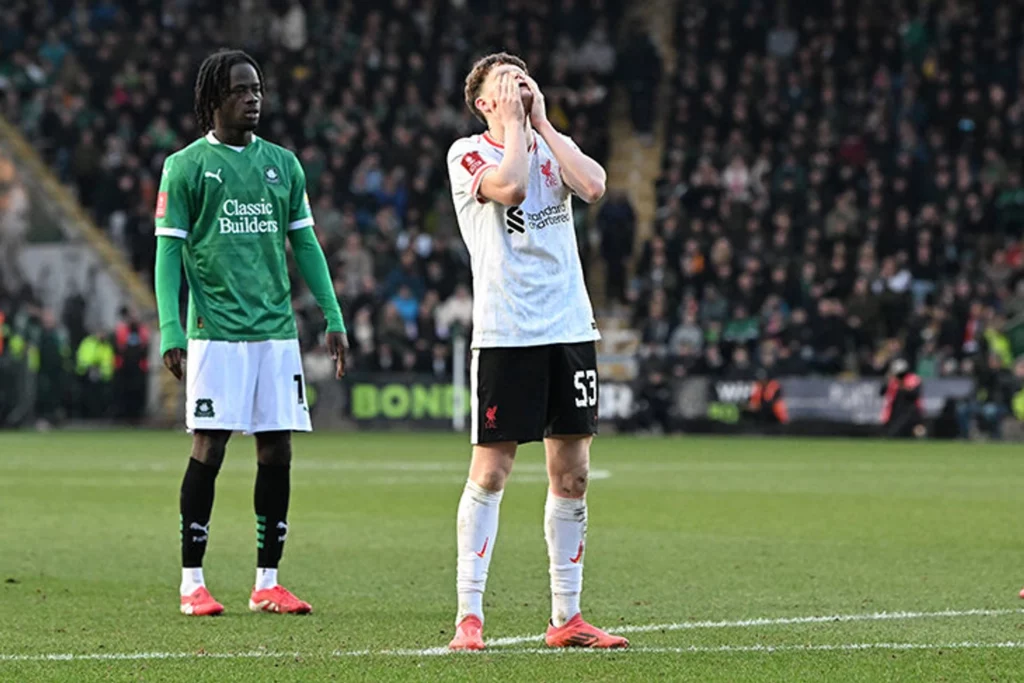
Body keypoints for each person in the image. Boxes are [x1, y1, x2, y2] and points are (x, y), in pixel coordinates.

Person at [153, 50, 348, 617]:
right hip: (215, 331)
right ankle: (192, 582)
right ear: (215, 98)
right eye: (241, 90)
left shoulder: (283, 165)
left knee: (277, 447)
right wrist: (171, 328)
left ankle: (267, 582)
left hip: (275, 331)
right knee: (210, 445)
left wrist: (333, 315)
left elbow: (305, 244)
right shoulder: (186, 167)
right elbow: (167, 254)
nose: (253, 98)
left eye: (257, 88)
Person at [444, 52, 628, 651]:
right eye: (505, 82)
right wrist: (515, 127)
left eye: (523, 78)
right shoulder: (468, 153)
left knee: (572, 474)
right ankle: (469, 616)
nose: (519, 87)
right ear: (483, 103)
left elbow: (594, 185)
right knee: (492, 470)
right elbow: (512, 187)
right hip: (508, 331)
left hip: (569, 327)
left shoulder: (551, 141)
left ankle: (566, 617)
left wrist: (543, 123)